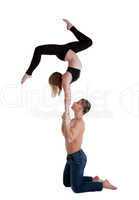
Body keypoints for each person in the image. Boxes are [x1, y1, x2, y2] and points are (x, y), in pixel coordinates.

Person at [21, 19, 93, 113]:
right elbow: (68, 95)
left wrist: (67, 111)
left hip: (64, 52)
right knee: (88, 42)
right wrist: (67, 112)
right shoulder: (66, 80)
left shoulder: (66, 79)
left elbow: (67, 95)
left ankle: (28, 73)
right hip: (69, 51)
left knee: (38, 50)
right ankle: (70, 27)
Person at [61, 98, 117, 193]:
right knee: (67, 182)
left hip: (77, 159)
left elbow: (70, 138)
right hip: (71, 157)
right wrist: (64, 120)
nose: (74, 102)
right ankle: (93, 179)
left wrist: (66, 122)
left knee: (77, 188)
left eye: (78, 102)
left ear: (80, 108)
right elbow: (65, 134)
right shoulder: (73, 120)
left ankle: (102, 184)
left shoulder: (80, 123)